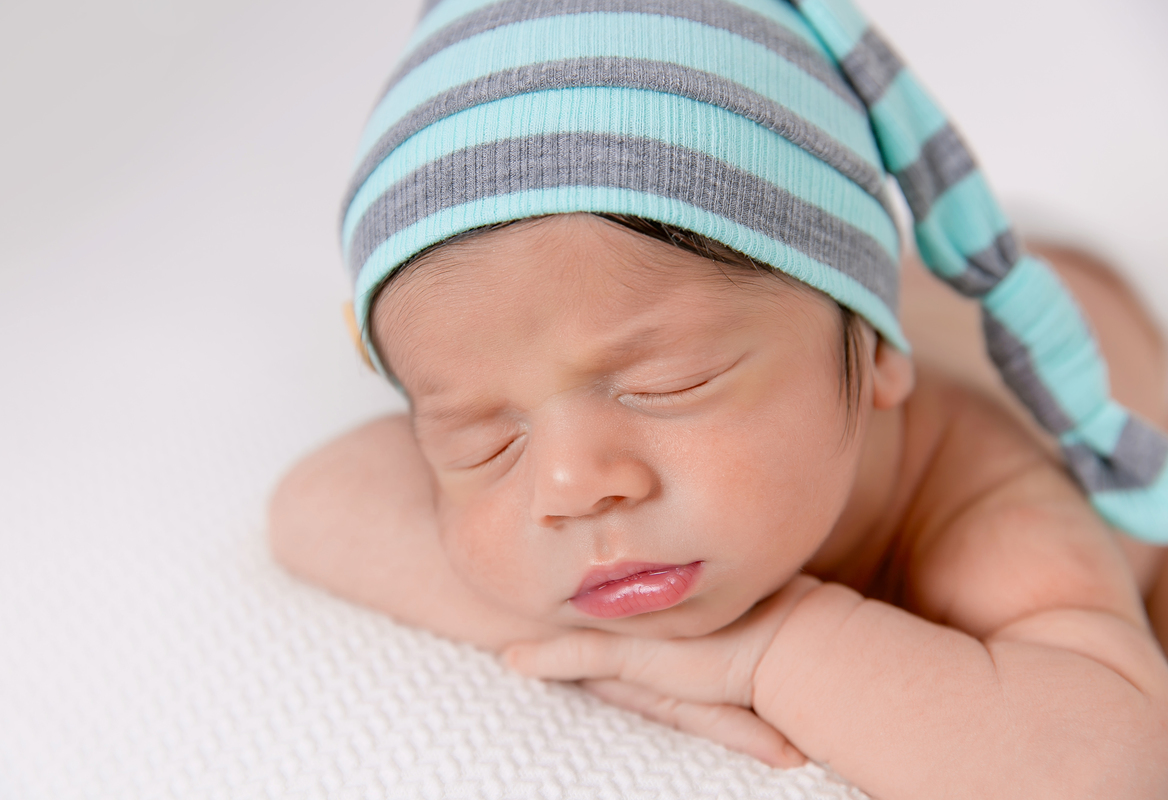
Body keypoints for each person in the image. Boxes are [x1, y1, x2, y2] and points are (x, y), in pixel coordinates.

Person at [270, 0, 1168, 794]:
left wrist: (769, 651)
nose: (572, 484)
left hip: (1087, 300)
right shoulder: (595, 366)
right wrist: (642, 651)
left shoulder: (986, 505)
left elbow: (1107, 765)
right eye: (481, 438)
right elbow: (313, 505)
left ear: (875, 349)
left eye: (668, 383)